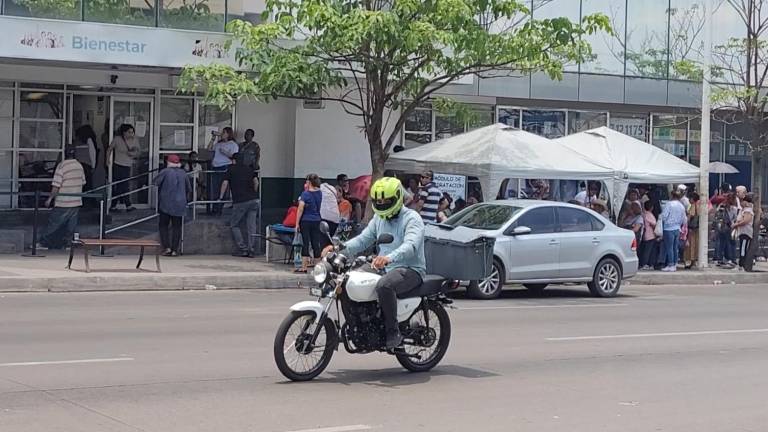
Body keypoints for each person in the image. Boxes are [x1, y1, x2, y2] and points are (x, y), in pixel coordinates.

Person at [324, 177, 426, 351]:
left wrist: (389, 257)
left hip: (409, 269)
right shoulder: (379, 218)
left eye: (386, 200)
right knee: (346, 281)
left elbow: (411, 245)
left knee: (384, 286)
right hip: (382, 265)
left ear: (397, 198)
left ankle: (393, 332)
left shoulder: (412, 218)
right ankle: (356, 327)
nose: (382, 204)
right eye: (378, 201)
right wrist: (337, 249)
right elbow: (363, 240)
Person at [37, 147, 85, 250]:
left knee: (53, 223)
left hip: (63, 201)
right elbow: (83, 182)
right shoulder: (79, 166)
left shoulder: (62, 166)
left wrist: (49, 199)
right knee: (71, 225)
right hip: (76, 201)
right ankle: (68, 244)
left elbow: (56, 185)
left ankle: (43, 243)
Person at [219, 152, 260, 258]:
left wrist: (221, 197)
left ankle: (243, 249)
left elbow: (225, 183)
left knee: (234, 224)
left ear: (234, 160)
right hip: (254, 200)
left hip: (240, 200)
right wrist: (254, 192)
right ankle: (251, 249)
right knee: (251, 226)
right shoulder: (249, 169)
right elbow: (256, 182)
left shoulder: (231, 169)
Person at [154, 154, 191, 257]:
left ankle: (166, 248)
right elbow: (189, 188)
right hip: (180, 204)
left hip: (166, 203)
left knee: (163, 225)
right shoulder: (183, 173)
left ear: (168, 162)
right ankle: (175, 249)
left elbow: (155, 182)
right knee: (177, 227)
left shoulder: (165, 172)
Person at [295, 174, 323, 273]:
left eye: (307, 181)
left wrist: (297, 223)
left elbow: (300, 209)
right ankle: (318, 268)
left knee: (305, 243)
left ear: (309, 182)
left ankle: (304, 267)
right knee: (316, 243)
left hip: (306, 221)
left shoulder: (305, 194)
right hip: (316, 220)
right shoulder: (320, 193)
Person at [207, 127, 239, 215]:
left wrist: (225, 152)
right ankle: (214, 208)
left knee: (223, 189)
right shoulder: (218, 144)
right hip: (215, 167)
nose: (222, 134)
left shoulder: (233, 144)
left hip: (225, 167)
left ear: (228, 134)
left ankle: (219, 209)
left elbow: (235, 157)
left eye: (224, 132)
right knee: (215, 188)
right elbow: (209, 149)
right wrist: (213, 138)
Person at [108, 124, 139, 212]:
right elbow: (109, 149)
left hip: (128, 165)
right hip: (118, 165)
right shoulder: (117, 139)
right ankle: (126, 205)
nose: (131, 134)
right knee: (120, 185)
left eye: (132, 132)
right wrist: (107, 160)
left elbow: (138, 152)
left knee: (123, 185)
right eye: (129, 132)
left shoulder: (134, 140)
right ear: (124, 132)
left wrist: (133, 154)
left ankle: (116, 205)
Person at [660, 191, 688, 272]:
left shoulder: (669, 204)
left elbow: (664, 216)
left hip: (668, 228)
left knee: (669, 247)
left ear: (672, 195)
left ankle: (671, 264)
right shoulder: (681, 206)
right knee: (675, 247)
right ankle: (675, 263)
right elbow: (684, 219)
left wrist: (661, 218)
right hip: (677, 228)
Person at [714, 193, 738, 266]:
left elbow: (717, 215)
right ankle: (730, 259)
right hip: (727, 227)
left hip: (725, 227)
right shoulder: (731, 208)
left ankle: (723, 259)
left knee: (724, 243)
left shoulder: (723, 206)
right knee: (729, 243)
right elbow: (734, 217)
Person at [733, 193, 755, 271]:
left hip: (746, 232)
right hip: (742, 232)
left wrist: (737, 224)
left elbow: (746, 221)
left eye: (742, 202)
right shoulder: (744, 210)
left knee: (743, 249)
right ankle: (741, 264)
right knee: (742, 248)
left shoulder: (748, 210)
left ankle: (741, 265)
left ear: (745, 202)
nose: (741, 203)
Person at [73, 125, 97, 194]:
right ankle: (88, 202)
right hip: (86, 165)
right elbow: (92, 153)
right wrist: (93, 166)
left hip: (77, 165)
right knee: (88, 185)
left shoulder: (76, 141)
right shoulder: (89, 140)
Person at [683, 192, 701, 269]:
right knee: (695, 245)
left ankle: (691, 261)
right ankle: (693, 262)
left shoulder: (693, 206)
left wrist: (685, 223)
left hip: (692, 229)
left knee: (691, 245)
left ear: (693, 199)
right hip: (697, 228)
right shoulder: (699, 205)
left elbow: (690, 216)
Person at [639, 200, 658, 270]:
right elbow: (654, 224)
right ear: (651, 207)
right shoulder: (649, 215)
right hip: (650, 235)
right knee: (648, 250)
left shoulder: (643, 214)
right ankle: (645, 263)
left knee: (647, 250)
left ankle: (648, 263)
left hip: (645, 234)